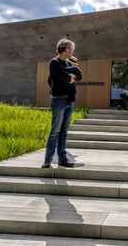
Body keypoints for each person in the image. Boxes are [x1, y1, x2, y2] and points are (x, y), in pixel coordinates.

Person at [41, 38, 82, 168]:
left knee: (64, 131)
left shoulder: (69, 64)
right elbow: (65, 79)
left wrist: (71, 76)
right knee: (55, 131)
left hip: (70, 100)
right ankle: (48, 159)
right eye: (71, 49)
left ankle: (62, 159)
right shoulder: (54, 62)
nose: (72, 51)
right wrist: (70, 77)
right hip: (58, 100)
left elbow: (79, 76)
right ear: (65, 49)